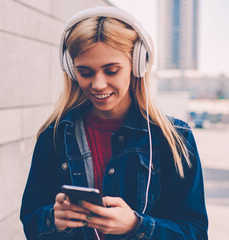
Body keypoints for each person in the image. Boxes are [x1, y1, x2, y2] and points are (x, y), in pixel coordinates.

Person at [20, 6, 208, 240]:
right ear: (71, 70)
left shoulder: (176, 138)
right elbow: (30, 224)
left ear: (137, 64)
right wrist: (53, 219)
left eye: (111, 70)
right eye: (85, 72)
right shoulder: (55, 136)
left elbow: (196, 233)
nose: (98, 84)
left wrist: (136, 225)